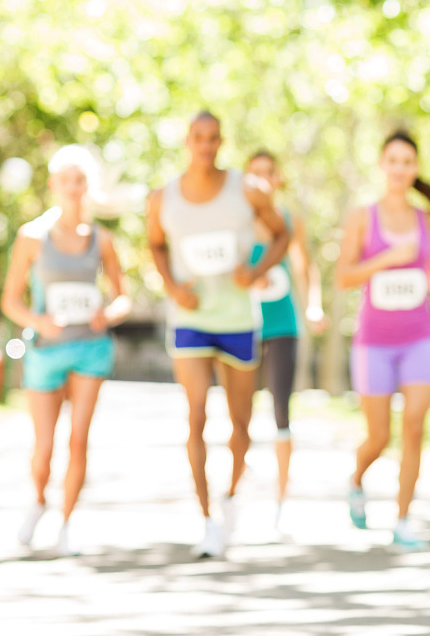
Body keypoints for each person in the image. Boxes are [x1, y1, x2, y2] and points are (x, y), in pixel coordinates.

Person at [146, 111, 290, 558]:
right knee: (195, 416)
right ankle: (206, 519)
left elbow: (284, 234)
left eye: (213, 138)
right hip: (190, 318)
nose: (205, 145)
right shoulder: (162, 198)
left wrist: (257, 271)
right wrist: (171, 286)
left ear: (221, 142)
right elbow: (154, 244)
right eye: (198, 138)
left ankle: (231, 495)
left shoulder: (246, 189)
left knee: (240, 422)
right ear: (187, 141)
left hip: (238, 320)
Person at [0, 145, 132, 556]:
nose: (74, 188)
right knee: (44, 445)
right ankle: (39, 500)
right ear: (53, 186)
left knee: (79, 439)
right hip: (45, 352)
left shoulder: (102, 240)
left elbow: (123, 297)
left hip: (90, 350)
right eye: (66, 181)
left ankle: (67, 521)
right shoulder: (31, 237)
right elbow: (10, 300)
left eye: (81, 181)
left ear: (89, 187)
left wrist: (106, 316)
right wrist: (37, 322)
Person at [334, 129, 430, 550]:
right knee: (379, 435)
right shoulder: (361, 217)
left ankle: (404, 520)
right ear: (382, 165)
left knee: (413, 428)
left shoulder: (429, 221)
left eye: (408, 162)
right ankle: (356, 480)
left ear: (415, 168)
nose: (400, 169)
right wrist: (386, 258)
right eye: (393, 161)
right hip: (374, 341)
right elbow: (343, 277)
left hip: (419, 338)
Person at [244, 150, 329, 529]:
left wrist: (314, 306)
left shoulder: (290, 221)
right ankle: (238, 491)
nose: (262, 179)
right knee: (239, 413)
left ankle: (281, 500)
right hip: (242, 326)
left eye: (269, 173)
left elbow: (305, 267)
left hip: (283, 327)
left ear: (278, 179)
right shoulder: (237, 223)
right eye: (255, 173)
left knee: (281, 412)